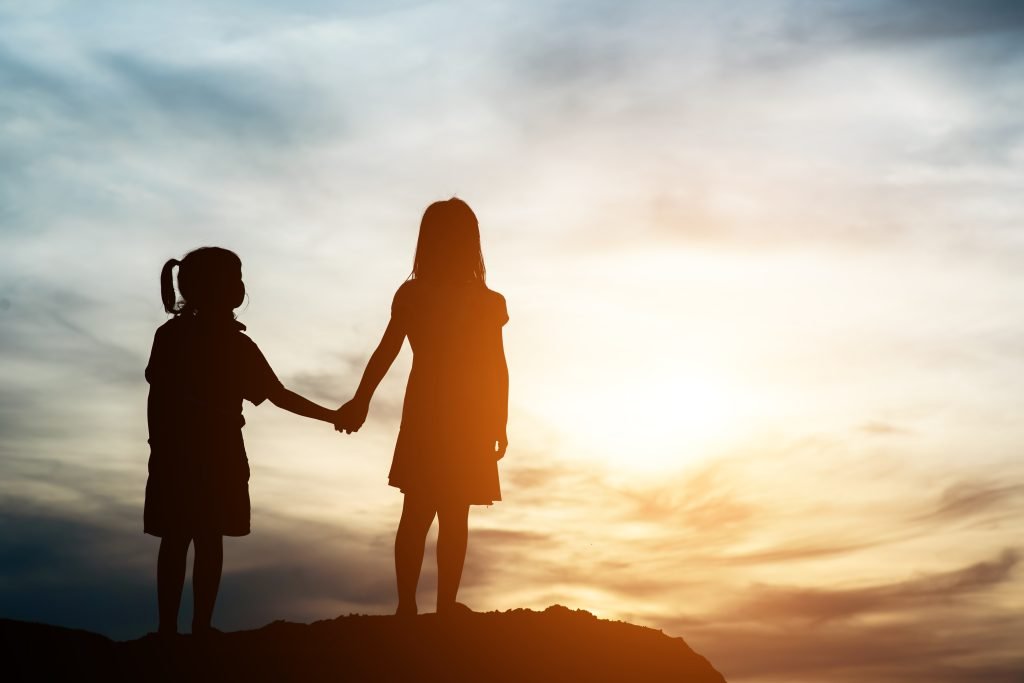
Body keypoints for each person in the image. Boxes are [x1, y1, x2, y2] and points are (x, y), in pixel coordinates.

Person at [145, 246, 339, 636]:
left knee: (179, 538)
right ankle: (197, 627)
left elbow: (157, 396)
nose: (240, 285)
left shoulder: (173, 336)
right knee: (205, 538)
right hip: (215, 455)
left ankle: (171, 629)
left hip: (175, 455)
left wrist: (159, 445)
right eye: (234, 278)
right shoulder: (232, 345)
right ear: (221, 289)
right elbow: (279, 395)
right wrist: (334, 416)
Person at [336, 198, 509, 617]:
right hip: (448, 415)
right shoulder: (471, 299)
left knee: (432, 510)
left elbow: (494, 365)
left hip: (441, 412)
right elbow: (495, 366)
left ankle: (417, 606)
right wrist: (360, 400)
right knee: (441, 512)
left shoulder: (443, 296)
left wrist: (498, 421)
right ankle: (424, 606)